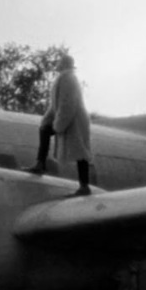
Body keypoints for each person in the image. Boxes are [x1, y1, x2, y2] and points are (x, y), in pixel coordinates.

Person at [26, 53, 93, 195]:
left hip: (75, 121)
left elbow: (67, 104)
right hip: (69, 119)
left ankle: (84, 186)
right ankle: (40, 163)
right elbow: (55, 105)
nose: (57, 64)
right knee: (44, 129)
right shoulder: (63, 79)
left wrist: (58, 125)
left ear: (63, 64)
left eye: (60, 62)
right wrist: (48, 120)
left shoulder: (68, 79)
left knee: (81, 153)